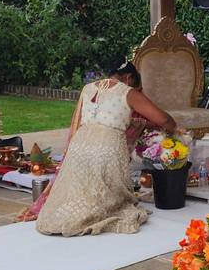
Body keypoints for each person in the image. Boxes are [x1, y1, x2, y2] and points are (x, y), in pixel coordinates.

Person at [29, 61, 177, 236]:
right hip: (106, 149)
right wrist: (173, 127)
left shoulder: (87, 88)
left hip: (79, 148)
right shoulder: (127, 91)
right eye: (139, 88)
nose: (139, 92)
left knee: (80, 194)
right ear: (129, 78)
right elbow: (163, 119)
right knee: (111, 201)